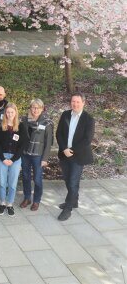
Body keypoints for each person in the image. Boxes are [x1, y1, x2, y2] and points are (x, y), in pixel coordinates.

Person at [56, 93, 94, 221]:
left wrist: (71, 150)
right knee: (67, 179)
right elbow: (59, 133)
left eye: (78, 102)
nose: (75, 104)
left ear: (83, 103)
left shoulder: (89, 119)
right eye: (73, 101)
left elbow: (87, 140)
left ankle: (68, 208)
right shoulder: (65, 114)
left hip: (78, 156)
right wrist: (64, 149)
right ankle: (74, 201)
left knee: (73, 182)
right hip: (64, 153)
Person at [0, 103, 29, 217]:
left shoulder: (21, 126)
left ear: (15, 113)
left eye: (12, 112)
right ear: (5, 113)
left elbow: (24, 144)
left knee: (12, 183)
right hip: (2, 157)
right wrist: (3, 158)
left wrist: (13, 159)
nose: (10, 114)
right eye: (8, 112)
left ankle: (10, 204)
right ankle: (2, 203)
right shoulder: (0, 125)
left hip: (15, 158)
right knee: (2, 182)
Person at [20, 99, 54, 211]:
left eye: (38, 108)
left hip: (38, 155)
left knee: (37, 179)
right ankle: (27, 198)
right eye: (33, 107)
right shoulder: (24, 120)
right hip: (25, 154)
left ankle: (36, 200)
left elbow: (49, 142)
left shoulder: (47, 122)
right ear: (30, 108)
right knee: (25, 177)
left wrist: (45, 158)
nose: (35, 110)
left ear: (42, 109)